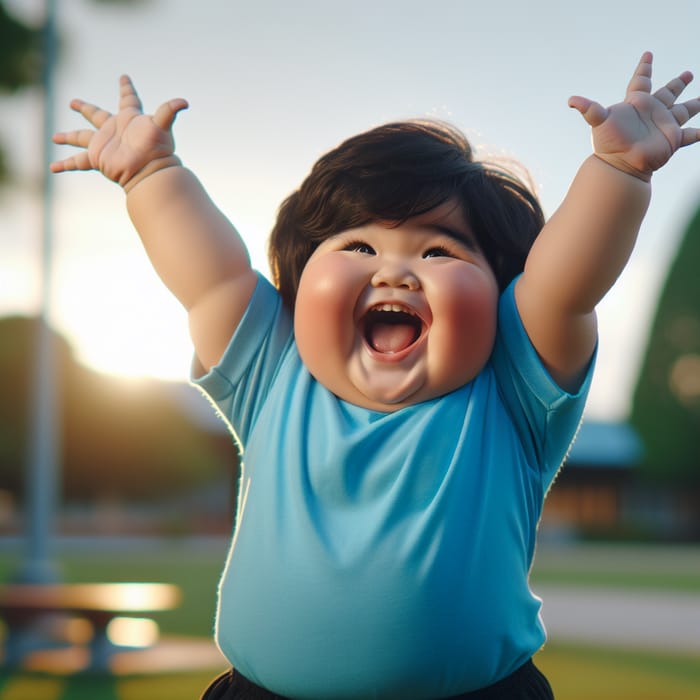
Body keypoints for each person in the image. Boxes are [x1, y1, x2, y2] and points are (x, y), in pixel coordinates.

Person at [51, 52, 699, 699]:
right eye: (357, 246)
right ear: (298, 291)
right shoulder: (273, 372)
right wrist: (153, 174)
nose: (393, 270)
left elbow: (564, 285)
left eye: (438, 249)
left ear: (503, 297)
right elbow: (213, 274)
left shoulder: (510, 386)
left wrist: (616, 171)